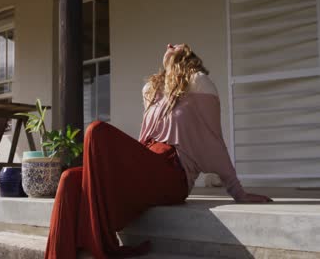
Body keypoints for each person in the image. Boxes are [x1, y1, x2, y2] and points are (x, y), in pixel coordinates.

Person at [44, 43, 272, 259]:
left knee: (96, 130)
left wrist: (237, 191)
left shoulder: (201, 83)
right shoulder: (153, 91)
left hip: (173, 171)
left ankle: (100, 243)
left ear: (188, 56)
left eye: (178, 45)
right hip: (147, 162)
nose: (170, 44)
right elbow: (147, 131)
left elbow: (214, 139)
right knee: (69, 179)